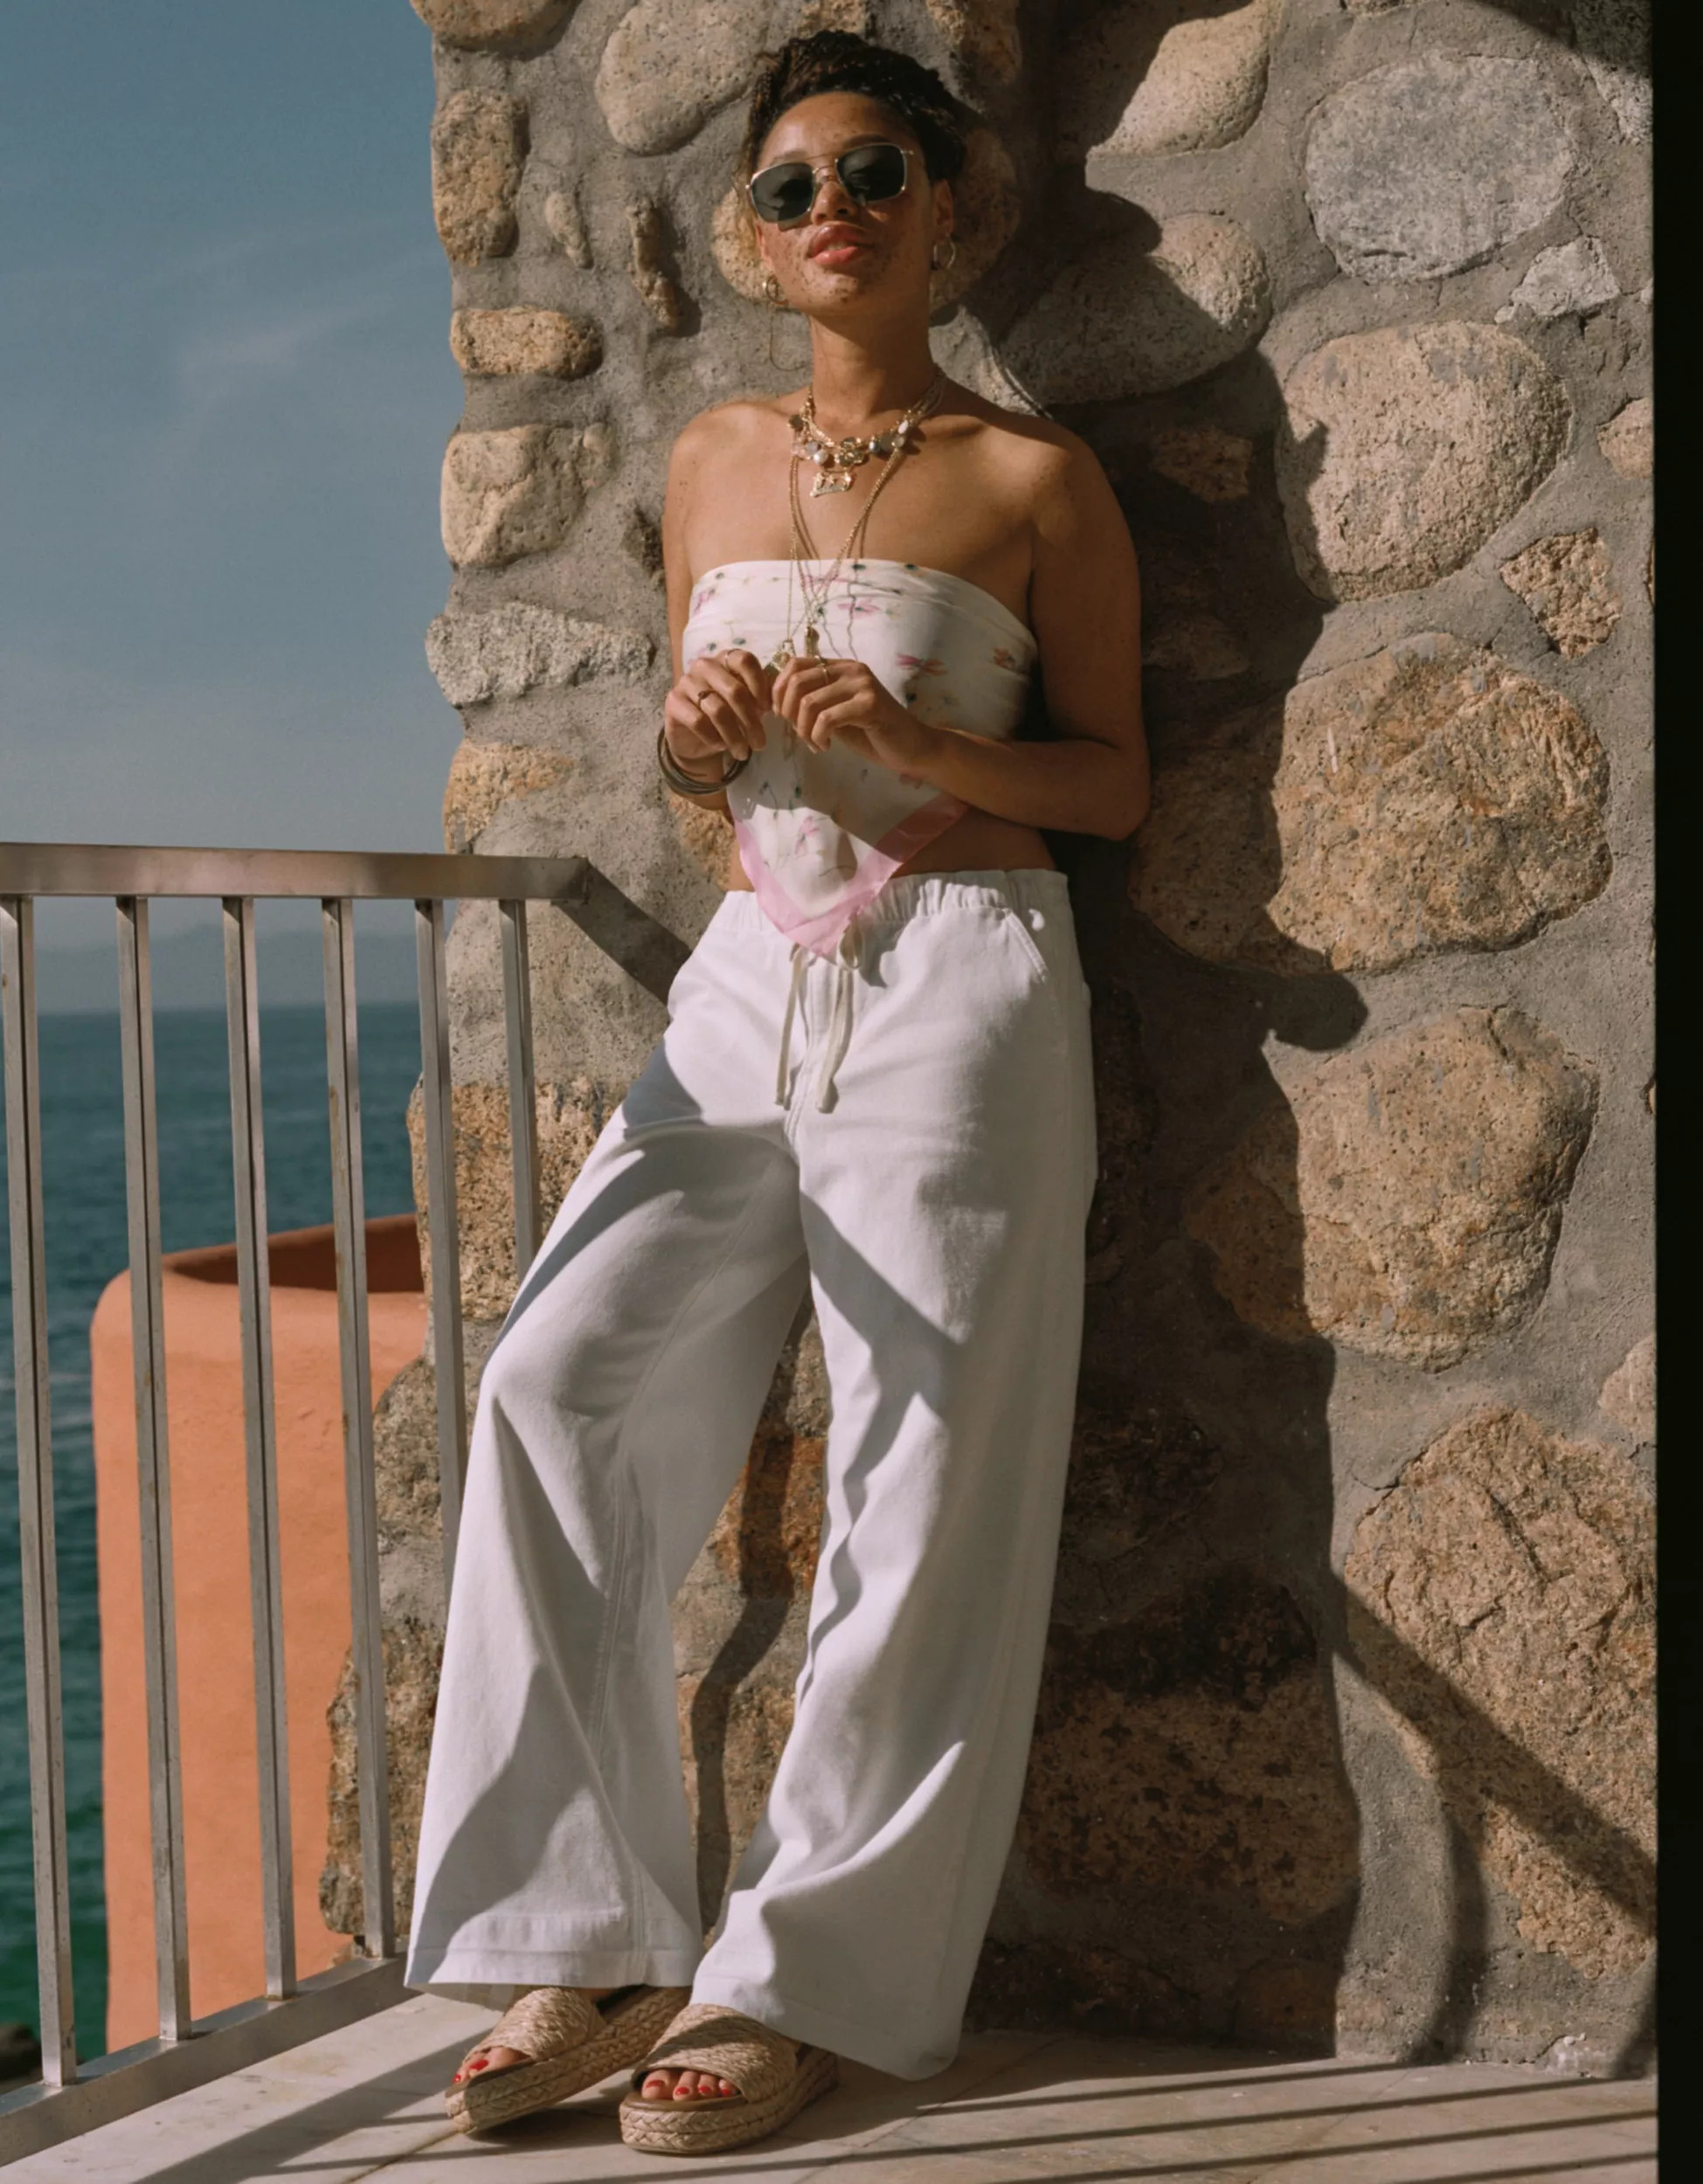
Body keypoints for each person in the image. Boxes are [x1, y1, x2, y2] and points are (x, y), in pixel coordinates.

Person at [404, 28, 1147, 2159]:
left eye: (876, 171)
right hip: (751, 971)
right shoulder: (715, 458)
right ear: (754, 230)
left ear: (947, 207)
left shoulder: (1036, 481)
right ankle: (587, 1927)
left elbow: (1115, 782)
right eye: (794, 182)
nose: (835, 209)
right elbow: (686, 754)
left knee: (926, 1467)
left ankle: (801, 1977)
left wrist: (930, 745)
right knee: (557, 1377)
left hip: (965, 971)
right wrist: (695, 737)